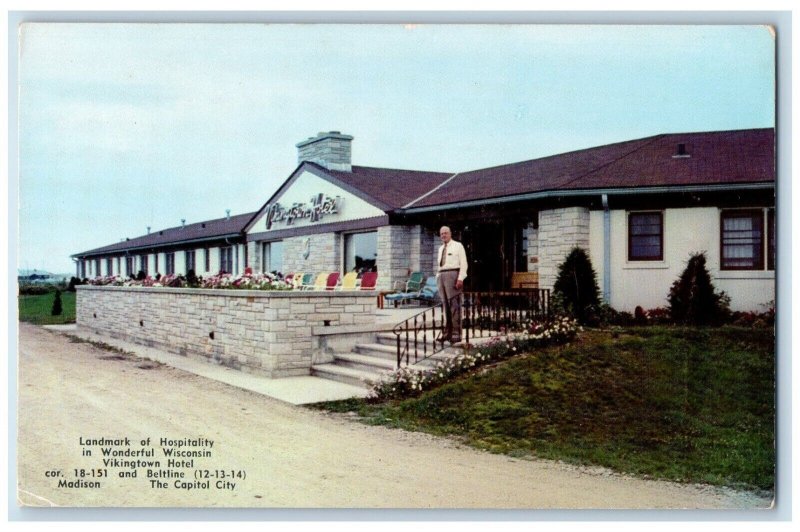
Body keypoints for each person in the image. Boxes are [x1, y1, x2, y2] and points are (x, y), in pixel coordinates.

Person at [436, 226, 468, 344]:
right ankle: (446, 333)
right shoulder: (440, 249)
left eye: (445, 233)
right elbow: (440, 264)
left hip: (453, 274)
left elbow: (464, 264)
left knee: (454, 305)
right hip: (441, 275)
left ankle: (456, 333)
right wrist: (437, 276)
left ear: (450, 234)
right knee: (445, 306)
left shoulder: (458, 246)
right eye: (441, 234)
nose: (443, 235)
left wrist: (460, 278)